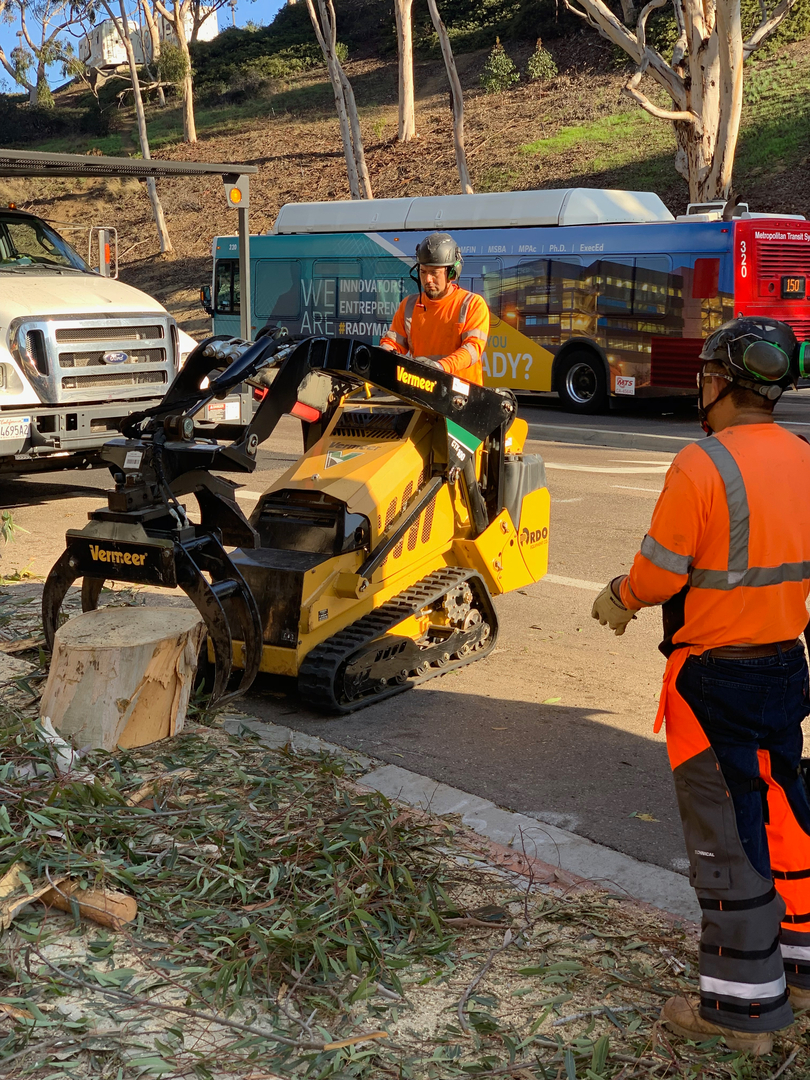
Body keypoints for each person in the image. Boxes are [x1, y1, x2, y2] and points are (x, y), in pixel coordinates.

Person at [591, 317, 810, 1056]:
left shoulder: (701, 464)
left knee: (729, 838)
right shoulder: (804, 457)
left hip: (713, 676)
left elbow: (660, 572)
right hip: (785, 663)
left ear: (718, 383)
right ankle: (802, 970)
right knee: (786, 813)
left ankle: (742, 1012)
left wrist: (622, 595)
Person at [380, 232, 489, 384]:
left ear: (452, 273)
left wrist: (439, 368)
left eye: (434, 273)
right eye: (423, 272)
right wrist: (384, 353)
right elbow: (394, 343)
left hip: (461, 396)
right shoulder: (408, 306)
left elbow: (472, 349)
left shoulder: (472, 304)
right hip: (422, 389)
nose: (428, 279)